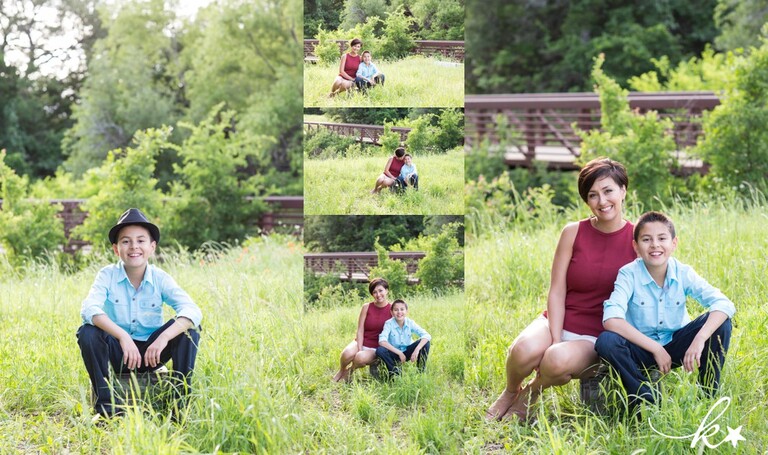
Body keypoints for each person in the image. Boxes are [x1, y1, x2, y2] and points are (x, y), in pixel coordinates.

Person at [485, 158, 637, 422]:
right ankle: (511, 391)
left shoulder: (638, 240)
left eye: (608, 191)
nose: (602, 201)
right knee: (522, 350)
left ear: (623, 190)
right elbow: (557, 290)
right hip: (560, 318)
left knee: (555, 361)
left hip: (598, 336)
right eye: (593, 195)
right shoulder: (572, 232)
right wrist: (556, 339)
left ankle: (532, 392)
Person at [595, 211, 734, 410]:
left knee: (722, 323)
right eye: (646, 239)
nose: (655, 245)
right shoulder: (628, 274)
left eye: (662, 238)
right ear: (635, 246)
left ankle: (707, 397)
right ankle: (644, 398)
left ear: (674, 243)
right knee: (607, 341)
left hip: (675, 344)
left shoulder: (683, 272)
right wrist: (655, 348)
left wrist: (700, 338)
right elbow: (611, 319)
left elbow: (724, 303)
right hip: (640, 349)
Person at [77, 208, 202, 418]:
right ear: (116, 249)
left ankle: (179, 407)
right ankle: (107, 409)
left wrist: (163, 338)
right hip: (119, 352)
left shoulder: (160, 278)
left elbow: (192, 310)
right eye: (126, 241)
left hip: (152, 354)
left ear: (152, 247)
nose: (134, 246)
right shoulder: (107, 275)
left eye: (141, 240)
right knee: (88, 331)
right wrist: (123, 336)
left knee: (191, 329)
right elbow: (89, 308)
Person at [332, 278, 392, 382]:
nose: (378, 294)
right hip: (362, 340)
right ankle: (342, 370)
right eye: (374, 292)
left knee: (359, 358)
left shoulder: (392, 310)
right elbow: (360, 329)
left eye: (381, 290)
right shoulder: (366, 307)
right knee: (346, 354)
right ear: (372, 294)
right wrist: (359, 348)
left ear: (386, 290)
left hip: (377, 347)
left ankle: (350, 371)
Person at [376, 300, 431, 376]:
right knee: (380, 350)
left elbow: (426, 335)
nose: (399, 312)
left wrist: (416, 350)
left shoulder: (410, 322)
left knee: (425, 342)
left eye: (402, 309)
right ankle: (395, 373)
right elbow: (382, 341)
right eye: (396, 310)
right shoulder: (388, 323)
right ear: (392, 312)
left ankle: (420, 372)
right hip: (394, 353)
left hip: (408, 351)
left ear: (406, 311)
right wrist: (399, 353)